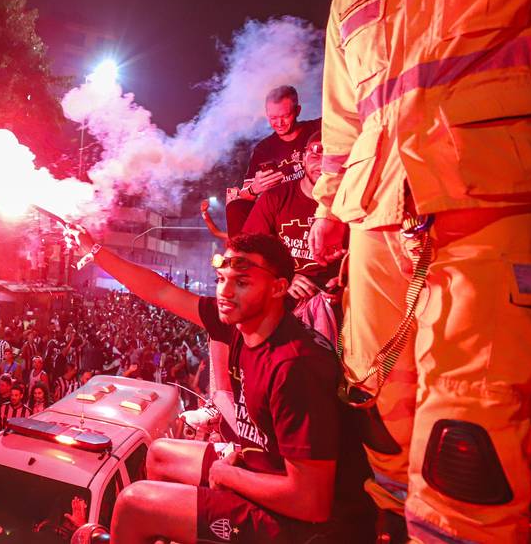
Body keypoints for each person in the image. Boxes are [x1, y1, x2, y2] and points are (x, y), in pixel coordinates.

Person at [307, 0, 531, 541]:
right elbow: (343, 124)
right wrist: (329, 216)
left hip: (493, 205)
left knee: (468, 442)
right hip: (377, 222)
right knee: (381, 419)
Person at [69, 230, 372, 543]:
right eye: (222, 278)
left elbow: (311, 502)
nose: (225, 292)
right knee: (160, 455)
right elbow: (160, 291)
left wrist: (230, 475)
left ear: (278, 288)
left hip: (310, 528)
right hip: (265, 470)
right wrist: (96, 250)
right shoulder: (241, 324)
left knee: (134, 504)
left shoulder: (295, 366)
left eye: (242, 282)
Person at [243, 131, 344, 344]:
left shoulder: (350, 203)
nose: (323, 164)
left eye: (330, 157)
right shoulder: (276, 198)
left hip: (338, 310)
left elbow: (365, 254)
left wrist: (347, 284)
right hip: (283, 306)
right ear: (303, 158)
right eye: (316, 154)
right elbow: (247, 249)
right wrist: (285, 277)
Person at [225, 86, 322, 238]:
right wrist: (254, 189)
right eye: (273, 118)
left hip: (318, 198)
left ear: (297, 111)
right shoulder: (263, 149)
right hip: (283, 207)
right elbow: (245, 195)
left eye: (285, 116)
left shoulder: (318, 129)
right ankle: (242, 256)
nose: (279, 123)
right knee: (236, 207)